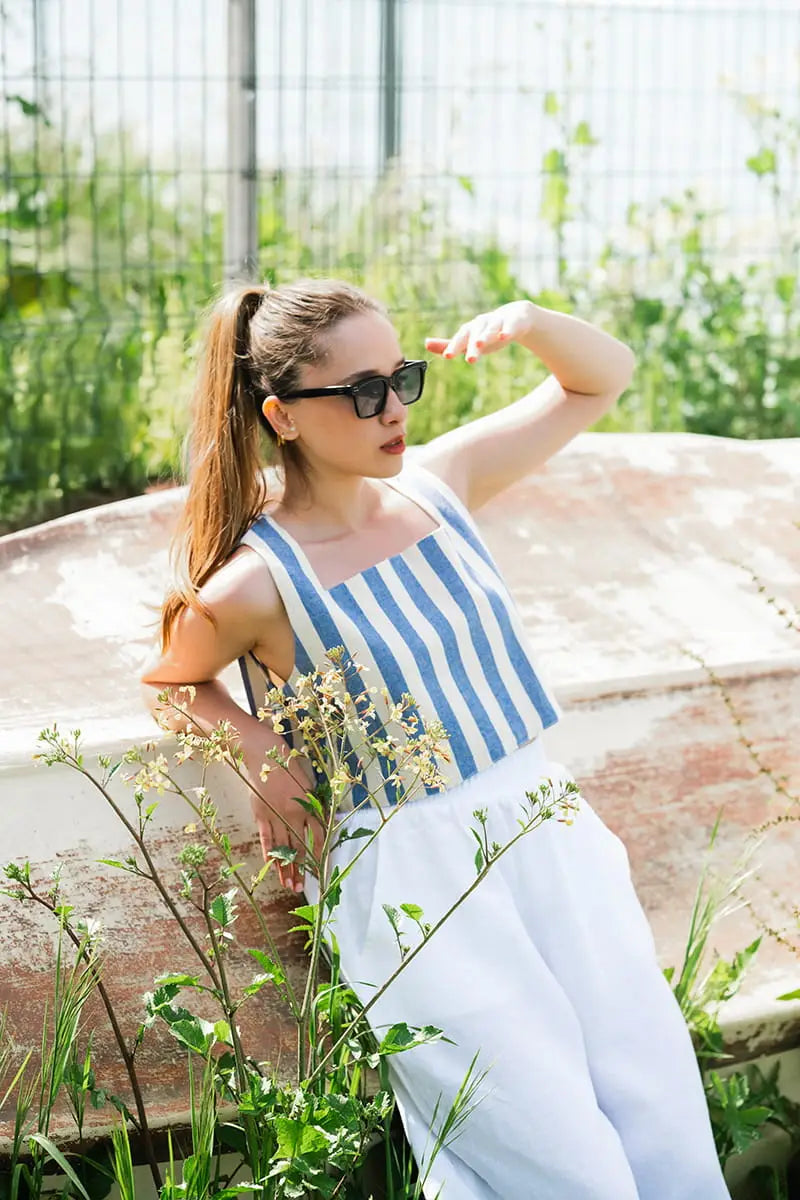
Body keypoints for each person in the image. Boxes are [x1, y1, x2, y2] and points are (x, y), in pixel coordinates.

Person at [141, 279, 730, 1199]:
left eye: (401, 377)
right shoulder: (258, 583)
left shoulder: (438, 488)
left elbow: (600, 378)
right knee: (556, 1165)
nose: (394, 411)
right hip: (413, 876)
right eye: (363, 392)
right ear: (283, 417)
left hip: (549, 831)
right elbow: (172, 686)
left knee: (662, 1122)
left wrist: (529, 324)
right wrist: (267, 758)